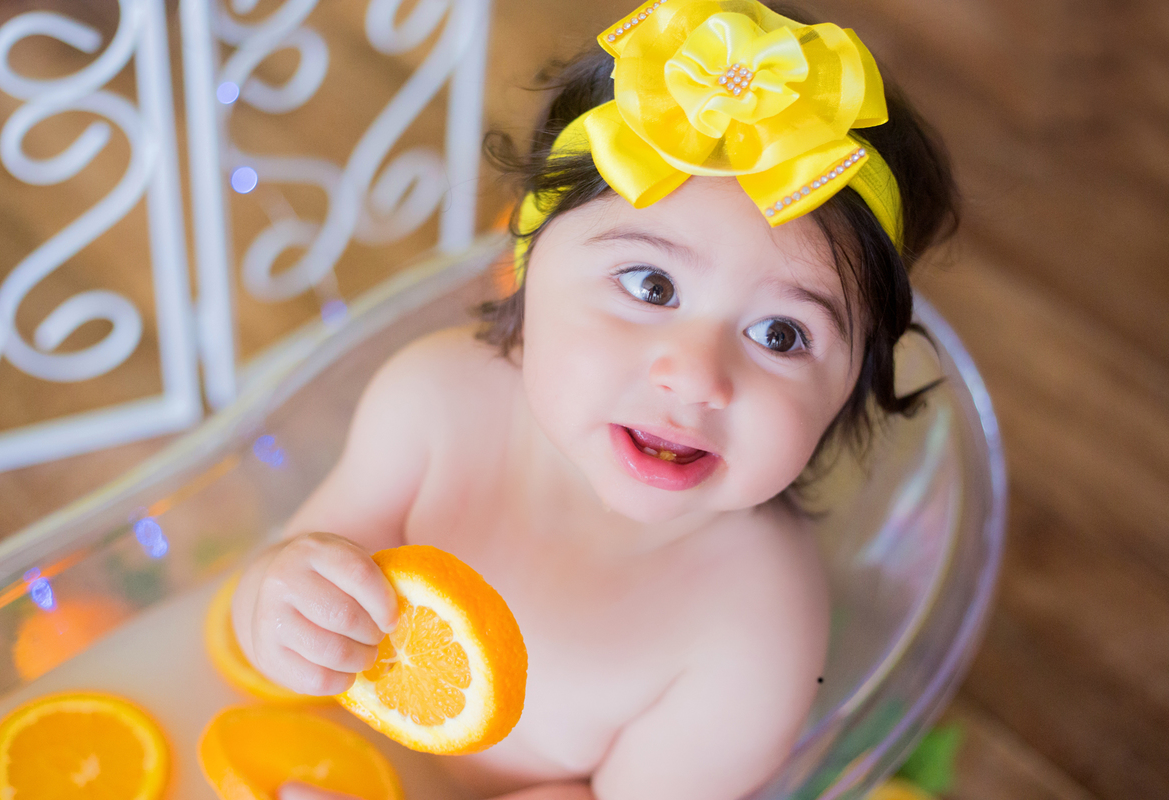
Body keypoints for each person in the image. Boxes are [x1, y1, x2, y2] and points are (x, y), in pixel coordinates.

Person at [231, 1, 957, 798]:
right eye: (651, 286)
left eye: (781, 335)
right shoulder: (433, 404)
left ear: (851, 388)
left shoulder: (757, 629)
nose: (693, 375)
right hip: (278, 749)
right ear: (525, 269)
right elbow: (292, 582)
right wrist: (283, 610)